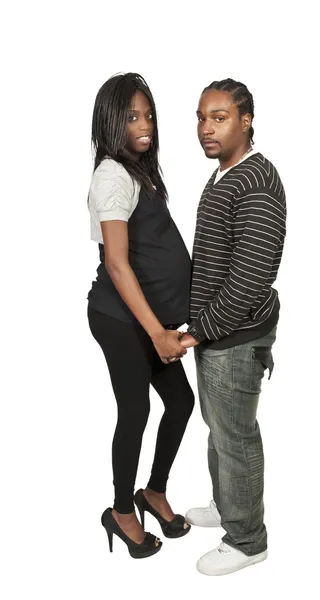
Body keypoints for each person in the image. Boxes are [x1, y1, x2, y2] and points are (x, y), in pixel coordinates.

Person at [180, 78, 286, 575]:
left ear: (246, 121)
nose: (206, 128)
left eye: (219, 117)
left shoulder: (256, 181)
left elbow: (250, 276)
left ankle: (247, 539)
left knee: (237, 436)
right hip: (217, 334)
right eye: (202, 117)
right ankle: (227, 505)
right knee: (219, 429)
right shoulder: (224, 174)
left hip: (236, 338)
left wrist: (200, 331)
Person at [87, 72, 193, 559]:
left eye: (148, 114)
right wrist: (157, 332)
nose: (144, 124)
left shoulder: (140, 171)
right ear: (111, 121)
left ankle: (152, 492)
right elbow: (117, 261)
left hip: (150, 320)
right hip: (121, 319)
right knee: (136, 410)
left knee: (181, 403)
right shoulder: (111, 173)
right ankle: (120, 511)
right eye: (131, 116)